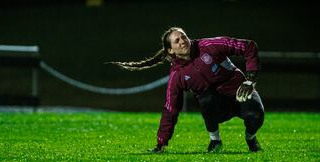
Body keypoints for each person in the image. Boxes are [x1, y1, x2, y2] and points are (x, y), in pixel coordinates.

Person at [111, 27, 264, 153]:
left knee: (256, 116)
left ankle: (251, 139)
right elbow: (171, 109)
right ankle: (215, 142)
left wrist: (250, 79)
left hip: (240, 92)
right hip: (217, 107)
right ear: (171, 50)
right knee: (206, 98)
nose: (183, 41)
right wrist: (161, 143)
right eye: (177, 41)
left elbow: (249, 46)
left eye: (183, 37)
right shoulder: (177, 75)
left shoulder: (209, 46)